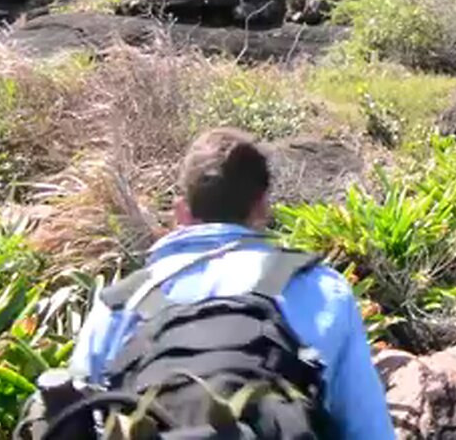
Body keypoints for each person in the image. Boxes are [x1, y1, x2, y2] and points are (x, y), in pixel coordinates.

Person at [66, 128, 395, 440]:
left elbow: (78, 419)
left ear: (181, 211)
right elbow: (368, 429)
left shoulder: (119, 303)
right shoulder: (324, 290)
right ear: (262, 206)